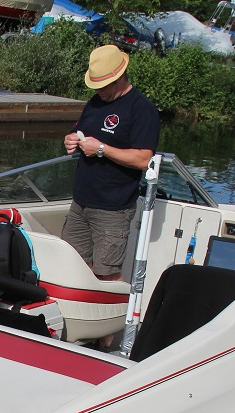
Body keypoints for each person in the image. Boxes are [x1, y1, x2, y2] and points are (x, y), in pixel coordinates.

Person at [62, 45, 160, 288]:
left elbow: (143, 159)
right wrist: (71, 139)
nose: (99, 91)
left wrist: (102, 149)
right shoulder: (95, 102)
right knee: (72, 265)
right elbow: (79, 130)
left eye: (103, 86)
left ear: (119, 78)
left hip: (112, 208)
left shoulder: (141, 109)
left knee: (106, 274)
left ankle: (115, 322)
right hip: (81, 202)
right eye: (95, 86)